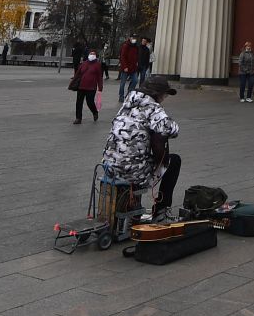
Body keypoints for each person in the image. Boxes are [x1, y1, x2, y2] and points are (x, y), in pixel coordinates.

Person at [103, 75, 183, 218]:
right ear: (157, 94)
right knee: (175, 161)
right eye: (165, 94)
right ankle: (161, 209)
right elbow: (172, 129)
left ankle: (134, 206)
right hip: (132, 171)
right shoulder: (153, 107)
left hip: (109, 165)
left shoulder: (128, 101)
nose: (165, 98)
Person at [72, 50, 105, 124]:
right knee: (79, 102)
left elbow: (100, 77)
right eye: (91, 54)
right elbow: (77, 74)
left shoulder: (98, 65)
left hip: (91, 87)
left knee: (90, 102)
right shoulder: (84, 63)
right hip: (81, 86)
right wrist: (72, 83)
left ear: (95, 56)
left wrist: (100, 87)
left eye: (93, 54)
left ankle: (95, 112)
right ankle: (78, 118)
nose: (92, 55)